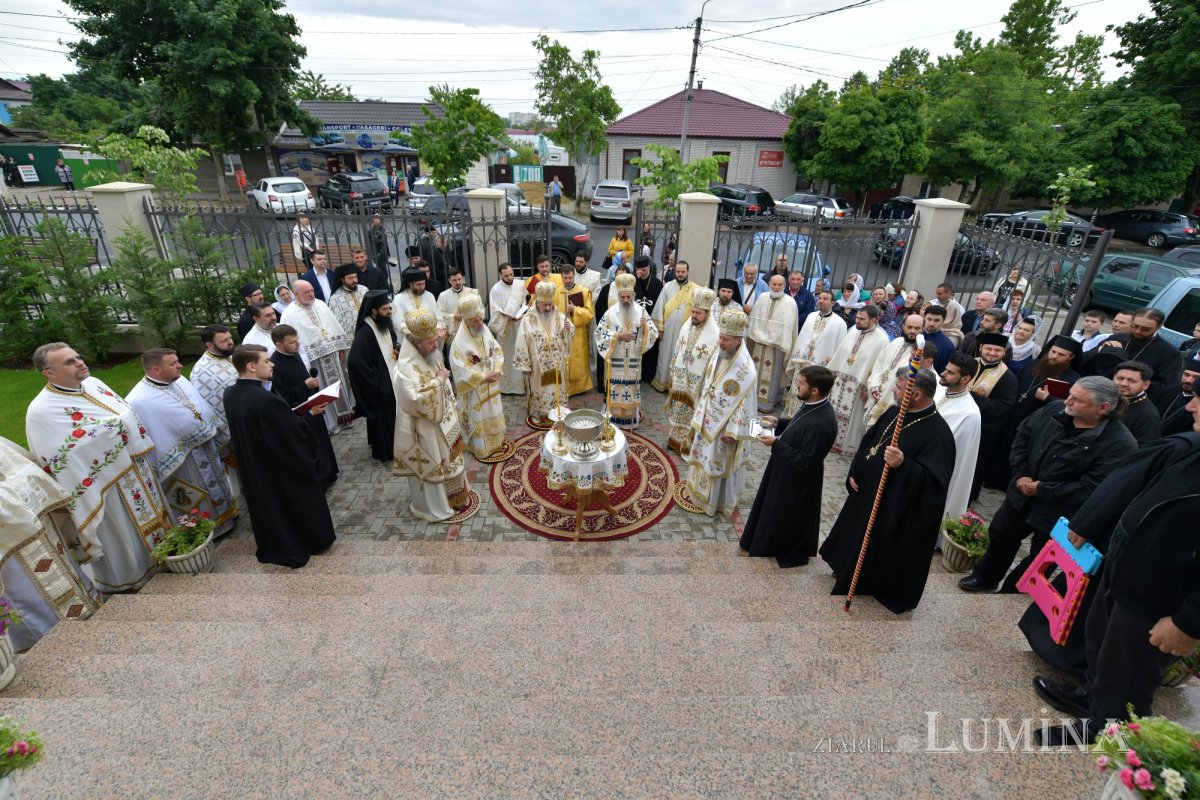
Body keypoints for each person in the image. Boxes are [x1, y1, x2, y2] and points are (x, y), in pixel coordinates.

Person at [1030, 404, 1200, 746]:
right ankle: (1093, 699)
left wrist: (1190, 621)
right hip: (1129, 575)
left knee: (1129, 671)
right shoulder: (1192, 447)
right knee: (1101, 646)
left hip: (1161, 598)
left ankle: (1109, 733)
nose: (1189, 406)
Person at [959, 377, 1137, 595]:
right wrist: (1021, 473)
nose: (1068, 401)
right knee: (1001, 535)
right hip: (1022, 494)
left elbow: (1092, 487)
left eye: (1077, 399)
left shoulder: (1120, 444)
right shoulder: (1054, 409)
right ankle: (985, 576)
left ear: (1103, 408)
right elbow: (1022, 436)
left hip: (1060, 511)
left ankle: (1013, 592)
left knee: (1041, 557)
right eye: (1070, 394)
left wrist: (1041, 489)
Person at [25, 343, 171, 593]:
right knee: (122, 531)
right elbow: (58, 458)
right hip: (104, 486)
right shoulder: (41, 411)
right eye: (69, 362)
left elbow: (123, 413)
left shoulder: (94, 383)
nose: (80, 362)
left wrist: (115, 429)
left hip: (135, 469)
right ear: (48, 373)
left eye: (78, 357)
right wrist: (114, 431)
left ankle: (167, 556)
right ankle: (133, 578)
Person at [820, 367, 956, 614]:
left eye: (899, 387)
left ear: (915, 395)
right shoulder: (896, 411)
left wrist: (904, 465)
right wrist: (856, 469)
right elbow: (869, 442)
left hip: (892, 511)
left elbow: (934, 486)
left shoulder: (939, 435)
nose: (892, 390)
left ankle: (865, 582)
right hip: (865, 494)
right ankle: (847, 570)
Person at [224, 345, 336, 567]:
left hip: (254, 464)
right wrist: (312, 414)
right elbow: (292, 436)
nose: (272, 363)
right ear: (251, 366)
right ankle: (312, 541)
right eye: (266, 361)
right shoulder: (265, 400)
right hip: (278, 469)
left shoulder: (231, 393)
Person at [0, 435, 99, 651]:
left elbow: (24, 468)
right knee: (25, 597)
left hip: (33, 525)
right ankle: (45, 644)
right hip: (8, 546)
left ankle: (82, 611)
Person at [126, 348, 238, 535]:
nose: (180, 365)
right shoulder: (138, 400)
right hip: (182, 459)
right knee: (195, 492)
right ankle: (207, 531)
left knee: (216, 480)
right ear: (156, 371)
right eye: (173, 363)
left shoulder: (178, 380)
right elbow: (152, 432)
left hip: (205, 446)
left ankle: (228, 515)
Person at [740, 365, 838, 567]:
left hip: (796, 485)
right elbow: (800, 424)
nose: (796, 388)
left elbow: (807, 462)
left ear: (814, 390)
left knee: (780, 518)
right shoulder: (813, 405)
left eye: (801, 384)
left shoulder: (823, 423)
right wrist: (779, 423)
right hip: (784, 471)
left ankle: (769, 549)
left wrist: (776, 443)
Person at [393, 308, 472, 522]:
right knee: (436, 465)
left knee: (451, 461)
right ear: (416, 343)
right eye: (430, 343)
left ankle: (456, 498)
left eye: (435, 340)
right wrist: (438, 381)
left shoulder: (431, 354)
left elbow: (443, 378)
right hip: (425, 429)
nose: (435, 345)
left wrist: (449, 397)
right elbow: (414, 401)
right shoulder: (404, 369)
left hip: (445, 421)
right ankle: (438, 506)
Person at [684, 308, 758, 517]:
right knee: (702, 454)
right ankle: (698, 491)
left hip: (724, 428)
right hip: (708, 417)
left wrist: (733, 432)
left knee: (717, 462)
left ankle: (715, 502)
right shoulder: (721, 353)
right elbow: (709, 382)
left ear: (738, 341)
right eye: (720, 337)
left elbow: (744, 405)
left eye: (726, 339)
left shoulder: (746, 369)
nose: (721, 342)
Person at [279, 279, 356, 432]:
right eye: (306, 292)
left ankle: (345, 418)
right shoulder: (289, 313)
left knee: (337, 387)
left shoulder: (320, 304)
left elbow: (333, 325)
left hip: (333, 355)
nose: (311, 294)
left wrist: (340, 348)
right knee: (321, 390)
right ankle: (331, 424)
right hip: (313, 362)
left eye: (312, 290)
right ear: (296, 294)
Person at [268, 325, 338, 487]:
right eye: (292, 342)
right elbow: (282, 397)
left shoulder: (295, 354)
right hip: (300, 415)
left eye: (297, 340)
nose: (298, 345)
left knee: (322, 442)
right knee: (311, 447)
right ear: (279, 345)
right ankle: (320, 481)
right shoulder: (274, 366)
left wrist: (316, 389)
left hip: (313, 407)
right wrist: (305, 386)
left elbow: (305, 379)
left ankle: (329, 474)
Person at [595, 273, 659, 428]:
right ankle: (612, 420)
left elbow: (654, 333)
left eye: (628, 297)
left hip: (633, 361)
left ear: (633, 295)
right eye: (622, 297)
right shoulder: (610, 313)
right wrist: (617, 335)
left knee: (631, 390)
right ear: (618, 296)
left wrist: (644, 329)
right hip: (616, 359)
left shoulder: (641, 312)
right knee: (615, 389)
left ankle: (631, 419)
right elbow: (599, 333)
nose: (625, 300)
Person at [449, 293, 508, 459]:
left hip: (492, 383)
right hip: (476, 389)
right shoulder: (458, 343)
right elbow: (459, 368)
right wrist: (483, 378)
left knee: (494, 411)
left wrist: (497, 368)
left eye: (481, 319)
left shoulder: (484, 330)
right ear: (466, 322)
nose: (480, 323)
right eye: (475, 321)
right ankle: (480, 448)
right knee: (479, 416)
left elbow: (496, 350)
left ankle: (497, 442)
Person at [827, 305, 891, 455]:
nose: (858, 321)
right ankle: (830, 440)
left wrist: (868, 389)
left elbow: (878, 367)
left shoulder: (882, 340)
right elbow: (840, 353)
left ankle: (847, 447)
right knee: (834, 411)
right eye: (857, 318)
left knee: (853, 419)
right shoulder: (853, 331)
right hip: (840, 381)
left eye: (862, 319)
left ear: (874, 320)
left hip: (859, 387)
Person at [664, 287, 719, 456]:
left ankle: (688, 447)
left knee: (692, 415)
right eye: (693, 311)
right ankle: (674, 441)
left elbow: (713, 364)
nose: (694, 315)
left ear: (708, 314)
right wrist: (673, 369)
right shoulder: (687, 326)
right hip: (681, 380)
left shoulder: (715, 334)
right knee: (678, 411)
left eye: (698, 313)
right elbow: (678, 349)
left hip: (697, 386)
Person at [346, 291, 399, 463]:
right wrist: (375, 378)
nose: (388, 312)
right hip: (381, 383)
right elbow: (354, 361)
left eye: (389, 308)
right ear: (373, 311)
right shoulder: (365, 332)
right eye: (385, 309)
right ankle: (385, 451)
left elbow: (391, 341)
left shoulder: (383, 323)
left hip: (391, 376)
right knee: (383, 419)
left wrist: (396, 348)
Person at [934, 353, 982, 539]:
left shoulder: (970, 414)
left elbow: (959, 460)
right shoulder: (940, 390)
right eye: (945, 369)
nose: (943, 374)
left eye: (950, 372)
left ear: (965, 379)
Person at [1093, 308, 1182, 406]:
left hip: (1131, 403)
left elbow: (1166, 386)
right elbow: (1089, 361)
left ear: (1158, 327)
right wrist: (1100, 350)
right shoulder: (1118, 338)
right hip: (1101, 393)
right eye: (1135, 326)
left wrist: (1135, 382)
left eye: (1145, 329)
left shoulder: (1169, 352)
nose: (1138, 331)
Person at [514, 282, 574, 427]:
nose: (548, 308)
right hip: (536, 365)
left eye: (550, 304)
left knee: (556, 388)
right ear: (537, 302)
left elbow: (568, 332)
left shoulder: (558, 315)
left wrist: (568, 329)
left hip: (556, 363)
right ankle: (538, 413)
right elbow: (521, 341)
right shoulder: (528, 319)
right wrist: (525, 364)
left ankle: (557, 411)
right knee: (537, 388)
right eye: (544, 305)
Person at [781, 289, 847, 420]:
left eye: (825, 299)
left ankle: (806, 419)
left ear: (833, 303)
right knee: (797, 392)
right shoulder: (811, 316)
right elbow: (802, 337)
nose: (821, 301)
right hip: (802, 364)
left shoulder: (840, 323)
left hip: (820, 368)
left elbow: (839, 347)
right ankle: (790, 419)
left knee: (813, 394)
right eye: (820, 298)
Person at [969, 332, 1018, 499]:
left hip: (982, 431)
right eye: (989, 348)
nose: (992, 353)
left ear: (1004, 352)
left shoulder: (1008, 378)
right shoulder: (969, 364)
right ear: (981, 347)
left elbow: (1004, 407)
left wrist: (973, 397)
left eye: (997, 350)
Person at [746, 273, 799, 412]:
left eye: (779, 284)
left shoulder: (790, 302)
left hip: (777, 346)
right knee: (755, 370)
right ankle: (752, 399)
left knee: (773, 375)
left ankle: (769, 403)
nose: (776, 287)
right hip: (759, 343)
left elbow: (790, 327)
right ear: (769, 285)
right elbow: (755, 318)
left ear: (784, 285)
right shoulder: (762, 297)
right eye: (774, 284)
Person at [863, 314, 927, 428]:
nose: (912, 331)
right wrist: (873, 387)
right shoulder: (895, 342)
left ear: (923, 329)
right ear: (903, 327)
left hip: (892, 405)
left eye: (917, 328)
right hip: (874, 397)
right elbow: (878, 365)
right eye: (909, 327)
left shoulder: (921, 354)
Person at [189, 324, 239, 459]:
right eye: (224, 341)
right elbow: (211, 407)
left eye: (230, 338)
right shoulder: (202, 372)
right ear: (210, 345)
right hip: (233, 433)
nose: (230, 342)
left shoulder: (229, 355)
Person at [650, 261, 700, 393]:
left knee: (681, 357)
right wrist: (660, 329)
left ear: (688, 272)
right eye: (678, 271)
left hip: (685, 332)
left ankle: (677, 386)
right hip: (667, 330)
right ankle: (662, 382)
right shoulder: (667, 287)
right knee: (665, 356)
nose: (680, 274)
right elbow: (659, 307)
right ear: (674, 271)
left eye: (683, 272)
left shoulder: (696, 290)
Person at [488, 263, 527, 395]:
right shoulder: (495, 289)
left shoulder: (520, 285)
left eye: (511, 274)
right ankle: (507, 387)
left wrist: (523, 311)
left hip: (520, 325)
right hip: (505, 329)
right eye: (506, 275)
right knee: (507, 356)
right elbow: (494, 310)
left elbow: (525, 301)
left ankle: (521, 387)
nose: (510, 277)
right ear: (500, 275)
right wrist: (506, 318)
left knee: (520, 354)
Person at [558, 267, 594, 396]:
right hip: (561, 332)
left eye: (570, 277)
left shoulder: (584, 292)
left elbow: (590, 314)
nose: (567, 280)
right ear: (561, 276)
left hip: (578, 334)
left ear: (574, 276)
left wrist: (575, 309)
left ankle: (579, 387)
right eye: (565, 278)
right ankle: (563, 386)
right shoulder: (557, 292)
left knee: (578, 359)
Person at [593, 263, 628, 393]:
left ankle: (622, 384)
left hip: (625, 332)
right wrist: (608, 322)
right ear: (615, 276)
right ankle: (603, 385)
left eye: (623, 276)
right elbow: (599, 307)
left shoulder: (631, 291)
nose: (620, 279)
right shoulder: (607, 288)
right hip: (609, 330)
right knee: (605, 357)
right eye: (618, 276)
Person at [1112, 360, 1162, 444]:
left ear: (1145, 384)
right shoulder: (1105, 396)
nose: (1123, 383)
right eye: (1120, 378)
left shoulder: (1149, 417)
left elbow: (1142, 451)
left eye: (1131, 381)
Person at [633, 255, 664, 383]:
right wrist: (637, 279)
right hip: (636, 321)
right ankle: (636, 374)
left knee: (651, 349)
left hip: (651, 321)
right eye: (640, 269)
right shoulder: (633, 281)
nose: (642, 272)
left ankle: (648, 375)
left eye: (645, 269)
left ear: (649, 268)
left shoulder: (657, 283)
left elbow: (661, 303)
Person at [1158, 355, 1200, 436]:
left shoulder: (1197, 406)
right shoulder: (1168, 390)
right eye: (1186, 375)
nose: (1188, 380)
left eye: (1196, 377)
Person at [437, 267, 480, 345]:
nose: (458, 282)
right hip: (454, 334)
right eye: (454, 280)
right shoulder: (443, 296)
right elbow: (439, 315)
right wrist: (453, 317)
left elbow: (480, 310)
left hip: (472, 330)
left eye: (459, 279)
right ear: (449, 280)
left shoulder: (472, 293)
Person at [327, 263, 367, 336]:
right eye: (350, 278)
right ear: (342, 279)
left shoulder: (364, 290)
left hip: (368, 331)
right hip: (351, 336)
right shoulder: (335, 299)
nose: (354, 280)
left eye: (355, 277)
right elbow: (336, 323)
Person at [921, 305, 956, 373]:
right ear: (924, 317)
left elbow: (942, 372)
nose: (932, 323)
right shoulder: (915, 334)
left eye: (936, 320)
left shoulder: (948, 346)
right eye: (929, 319)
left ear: (943, 321)